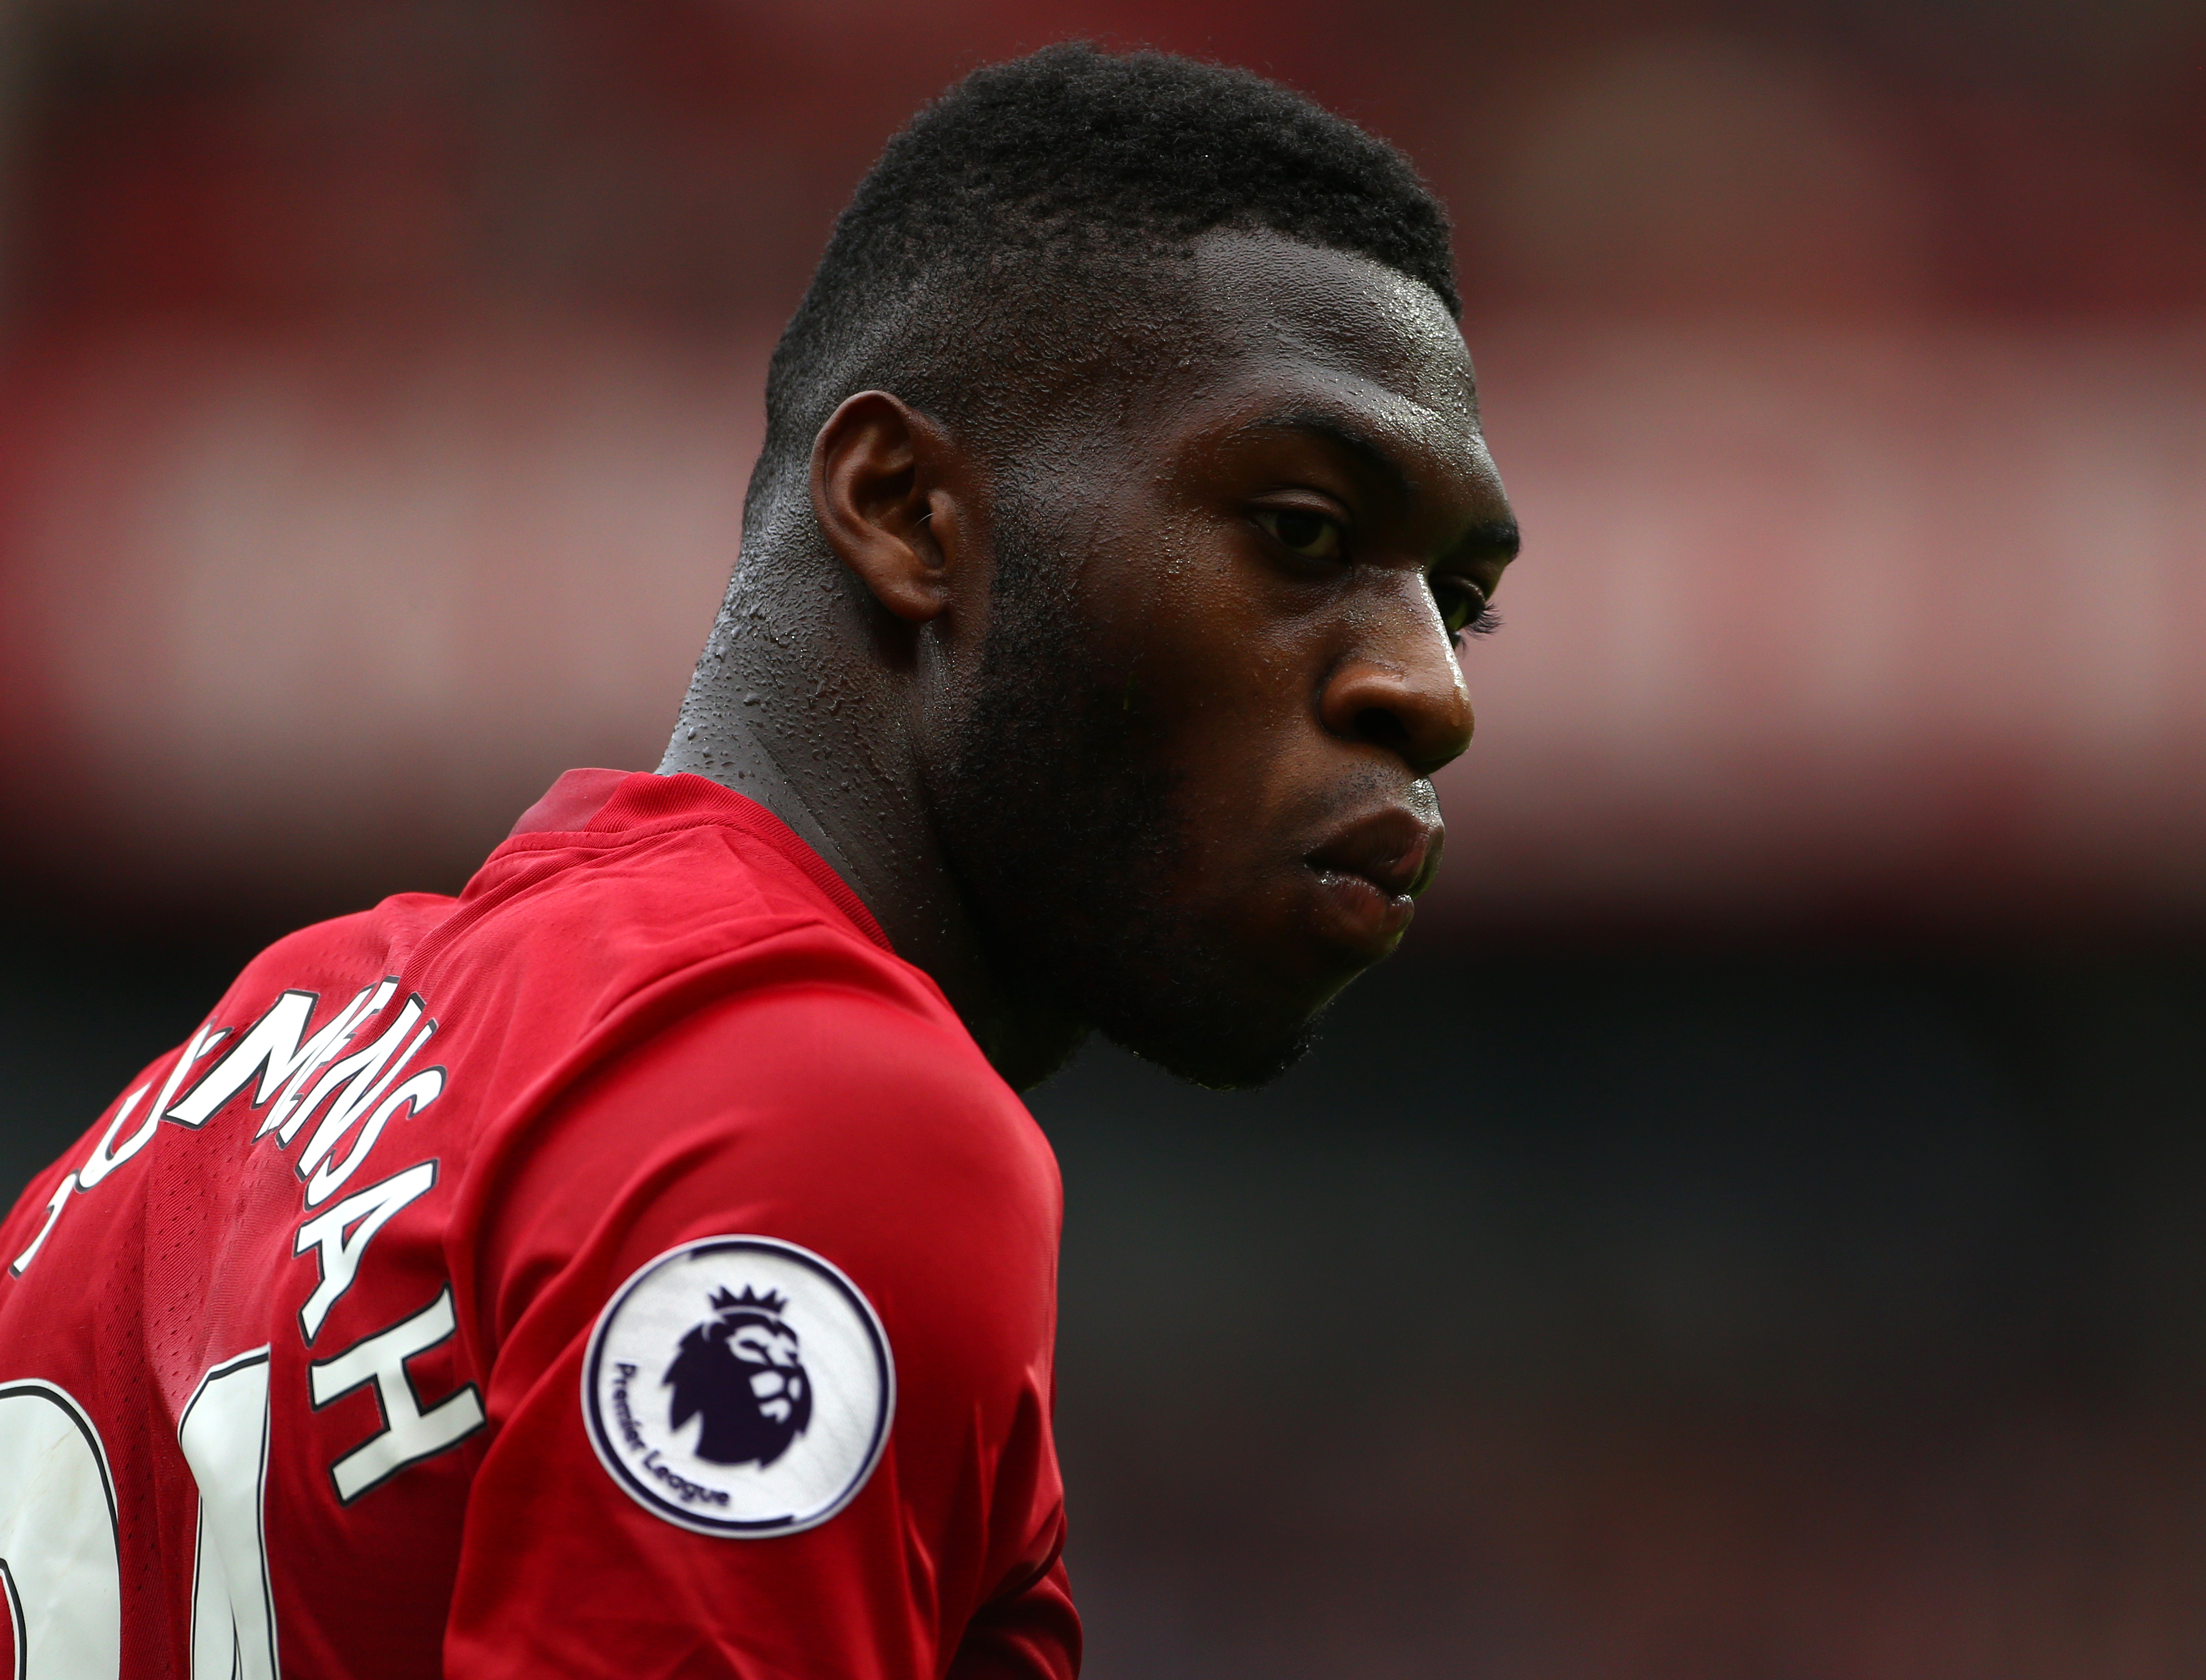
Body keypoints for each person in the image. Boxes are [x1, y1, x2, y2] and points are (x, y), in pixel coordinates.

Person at [0, 41, 1517, 1680]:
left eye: (1461, 601)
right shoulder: (816, 1110)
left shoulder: (214, 1096)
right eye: (1302, 529)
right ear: (908, 510)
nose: (1430, 690)